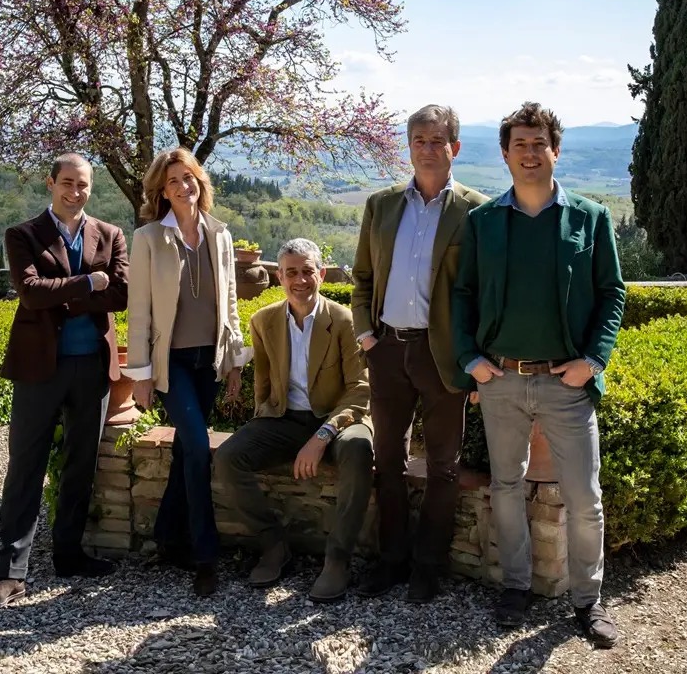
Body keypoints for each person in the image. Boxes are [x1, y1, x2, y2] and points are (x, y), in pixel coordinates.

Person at [452, 101, 626, 648]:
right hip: (500, 380)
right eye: (520, 145)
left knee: (584, 496)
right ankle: (516, 587)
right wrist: (470, 359)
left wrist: (592, 361)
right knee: (506, 487)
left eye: (539, 143)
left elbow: (612, 294)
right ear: (505, 154)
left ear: (556, 150)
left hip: (565, 383)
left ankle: (587, 601)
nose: (530, 153)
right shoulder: (483, 222)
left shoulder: (590, 218)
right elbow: (462, 295)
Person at [0, 152, 129, 609]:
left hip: (93, 367)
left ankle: (69, 554)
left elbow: (120, 294)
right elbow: (30, 293)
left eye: (83, 185)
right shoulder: (23, 234)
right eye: (67, 183)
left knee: (81, 464)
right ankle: (11, 573)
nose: (75, 192)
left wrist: (65, 293)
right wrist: (90, 284)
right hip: (39, 367)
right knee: (26, 465)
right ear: (51, 183)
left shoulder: (111, 234)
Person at [351, 104, 489, 603]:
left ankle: (428, 567)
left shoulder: (477, 211)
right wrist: (367, 336)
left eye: (437, 141)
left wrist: (476, 361)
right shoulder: (382, 205)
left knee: (444, 466)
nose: (427, 150)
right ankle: (391, 560)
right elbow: (362, 277)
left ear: (455, 147)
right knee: (386, 459)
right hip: (387, 349)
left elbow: (485, 293)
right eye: (419, 140)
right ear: (408, 146)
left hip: (442, 356)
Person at [215, 238, 374, 603]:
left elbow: (360, 389)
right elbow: (264, 384)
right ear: (280, 277)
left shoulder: (345, 321)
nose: (299, 280)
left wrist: (322, 436)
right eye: (291, 273)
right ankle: (273, 544)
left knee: (358, 450)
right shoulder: (264, 321)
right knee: (228, 457)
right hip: (285, 418)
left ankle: (338, 559)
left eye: (307, 271)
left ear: (321, 274)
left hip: (338, 418)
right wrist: (261, 424)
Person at [123, 147, 250, 596]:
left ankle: (167, 537)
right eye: (172, 181)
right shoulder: (148, 239)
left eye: (188, 178)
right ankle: (205, 555)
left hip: (209, 362)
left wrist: (234, 362)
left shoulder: (221, 234)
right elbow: (139, 311)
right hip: (172, 362)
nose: (182, 187)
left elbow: (230, 305)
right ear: (161, 192)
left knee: (185, 451)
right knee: (197, 448)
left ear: (200, 182)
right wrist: (140, 375)